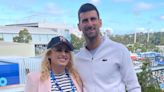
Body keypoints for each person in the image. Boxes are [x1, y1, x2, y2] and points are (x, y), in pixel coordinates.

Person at [74, 3, 141, 92]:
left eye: (93, 19)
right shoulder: (77, 59)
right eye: (85, 20)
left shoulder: (119, 50)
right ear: (79, 26)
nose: (90, 24)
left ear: (100, 22)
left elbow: (133, 87)